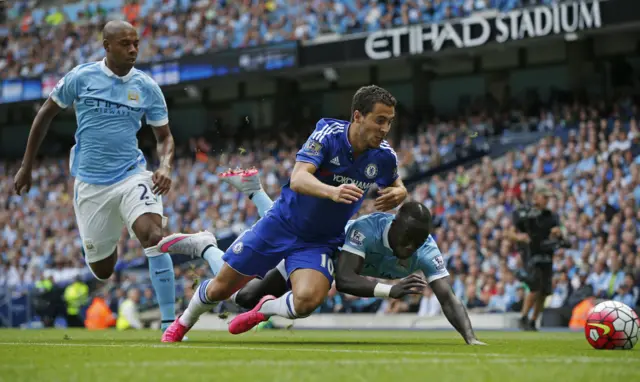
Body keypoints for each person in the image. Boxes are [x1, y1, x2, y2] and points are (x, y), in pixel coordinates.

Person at [161, 85, 407, 342]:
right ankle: (184, 322)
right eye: (380, 120)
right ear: (357, 116)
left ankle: (264, 309)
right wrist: (332, 192)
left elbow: (396, 184)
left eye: (389, 122)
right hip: (281, 224)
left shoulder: (384, 156)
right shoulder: (328, 133)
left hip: (319, 241)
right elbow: (299, 178)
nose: (385, 129)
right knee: (221, 289)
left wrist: (401, 193)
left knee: (307, 301)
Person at [12, 20, 213, 333]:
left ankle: (168, 325)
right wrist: (27, 166)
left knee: (153, 237)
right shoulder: (81, 77)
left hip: (132, 174)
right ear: (106, 46)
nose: (133, 49)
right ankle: (117, 225)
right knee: (102, 270)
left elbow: (165, 138)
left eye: (135, 43)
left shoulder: (146, 86)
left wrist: (165, 166)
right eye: (125, 44)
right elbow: (44, 115)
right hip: (91, 185)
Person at [215, 169, 485, 345]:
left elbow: (447, 297)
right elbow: (344, 280)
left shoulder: (426, 249)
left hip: (326, 265)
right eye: (407, 239)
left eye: (419, 241)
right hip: (320, 249)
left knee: (266, 299)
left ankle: (253, 191)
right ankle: (209, 246)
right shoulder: (366, 230)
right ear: (394, 225)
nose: (412, 247)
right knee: (244, 297)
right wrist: (391, 291)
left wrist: (470, 338)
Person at [507, 182, 565, 331]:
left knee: (545, 290)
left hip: (546, 253)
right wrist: (521, 237)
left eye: (547, 198)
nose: (546, 200)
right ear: (536, 197)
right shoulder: (524, 213)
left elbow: (558, 233)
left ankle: (533, 320)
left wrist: (557, 233)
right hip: (531, 253)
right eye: (544, 197)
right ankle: (523, 317)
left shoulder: (551, 216)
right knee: (535, 284)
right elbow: (510, 233)